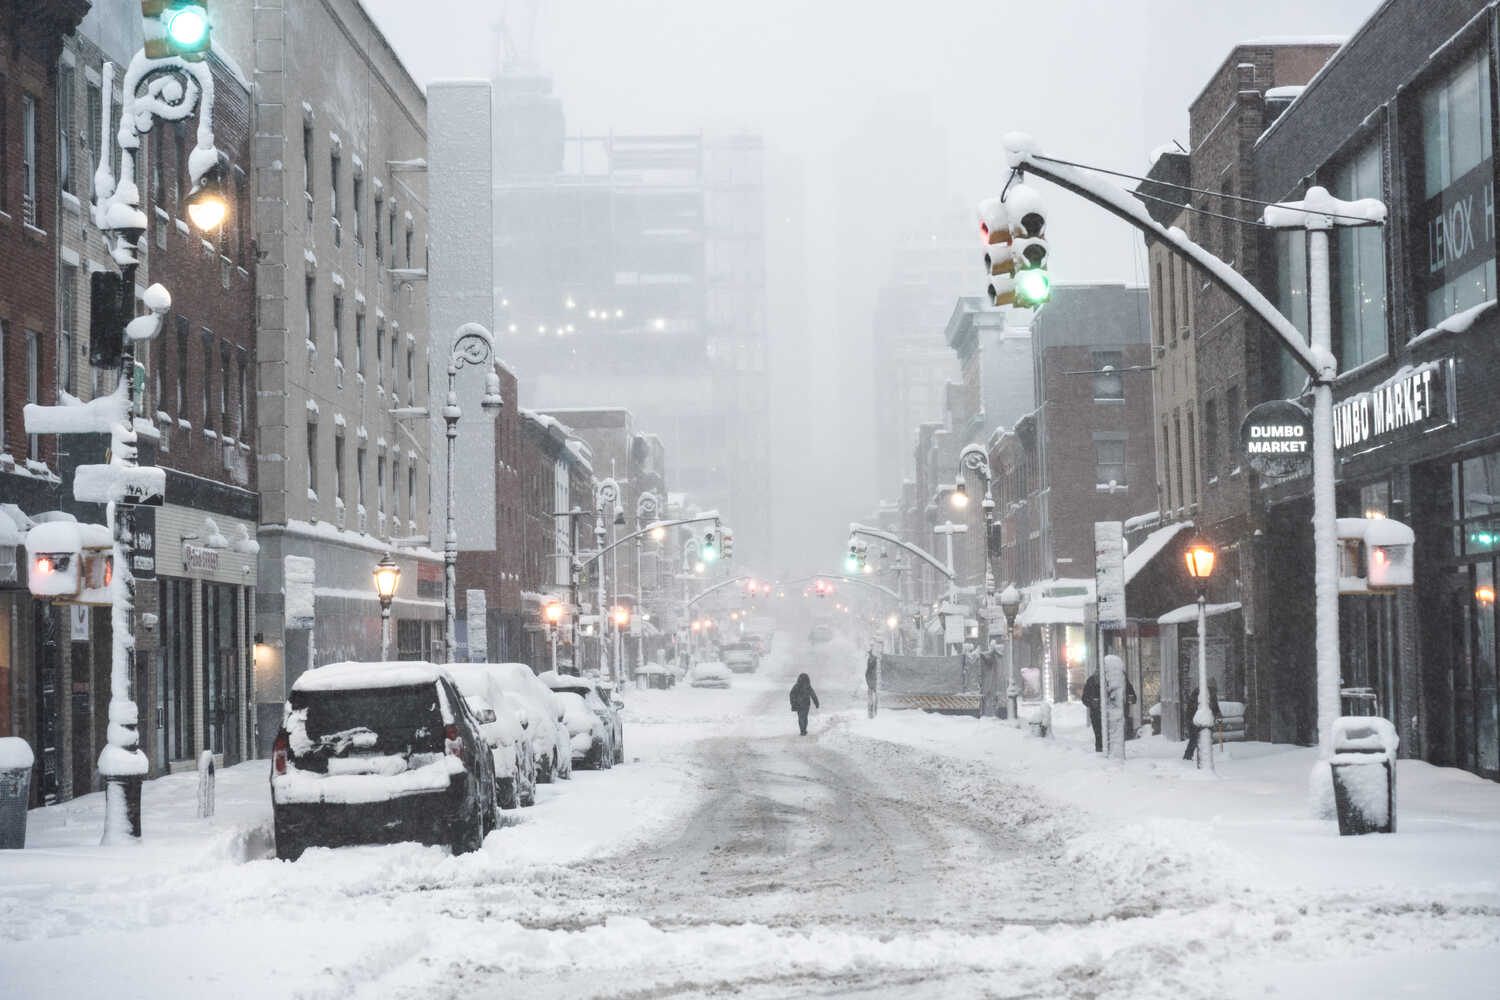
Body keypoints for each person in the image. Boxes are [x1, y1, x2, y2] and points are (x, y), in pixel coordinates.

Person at [1082, 667, 1138, 752]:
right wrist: (1092, 703)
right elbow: (1084, 698)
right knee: (1100, 737)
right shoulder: (1092, 680)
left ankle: (1114, 754)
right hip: (1098, 715)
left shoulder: (1121, 680)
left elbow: (1132, 695)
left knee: (1116, 737)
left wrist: (1130, 698)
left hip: (1116, 714)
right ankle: (1101, 754)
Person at [1182, 679, 1223, 762]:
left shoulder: (1212, 695)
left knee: (1204, 738)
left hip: (1203, 720)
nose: (1213, 691)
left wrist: (1218, 714)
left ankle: (1203, 756)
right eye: (1211, 688)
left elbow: (1215, 706)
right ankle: (1188, 757)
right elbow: (1192, 707)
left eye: (1214, 689)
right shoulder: (1198, 693)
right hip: (1193, 718)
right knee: (1194, 738)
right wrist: (1196, 718)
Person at [865, 649, 879, 718]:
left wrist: (868, 682)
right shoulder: (874, 660)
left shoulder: (872, 660)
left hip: (872, 682)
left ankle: (871, 714)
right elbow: (867, 673)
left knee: (872, 699)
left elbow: (867, 672)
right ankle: (873, 714)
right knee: (873, 698)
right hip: (873, 682)